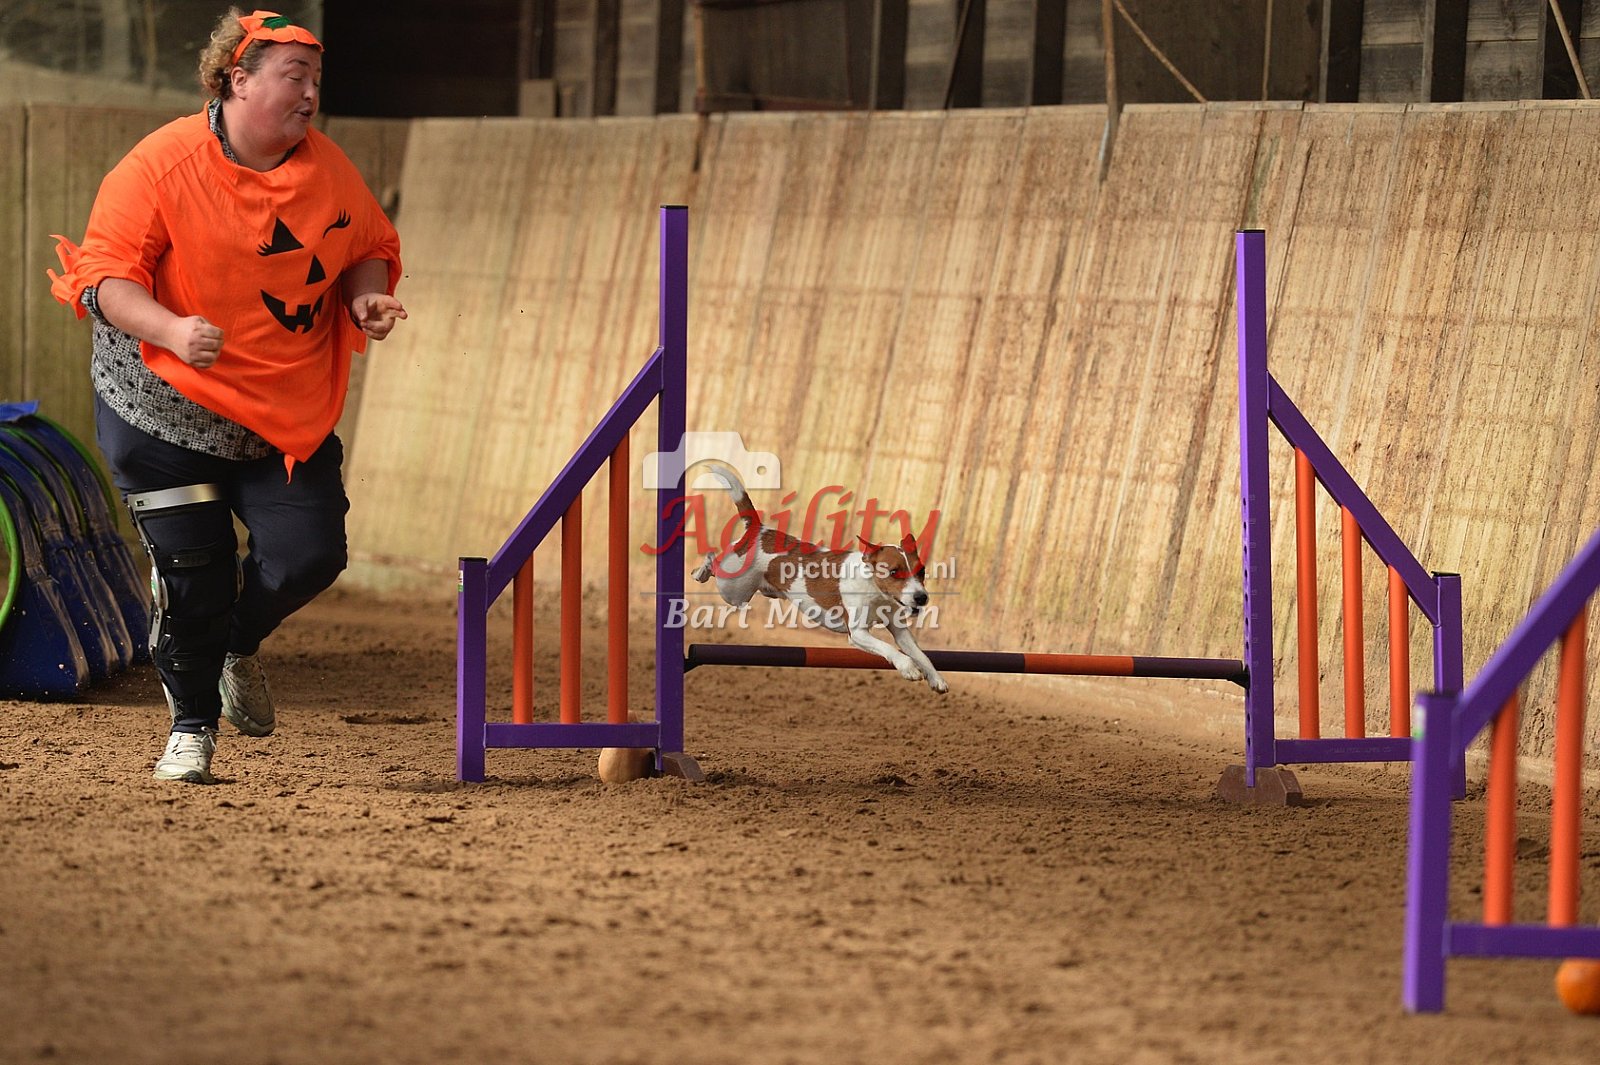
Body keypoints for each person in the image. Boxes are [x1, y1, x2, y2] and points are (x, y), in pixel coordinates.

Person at [47, 8, 405, 784]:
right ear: (237, 81)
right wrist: (171, 330)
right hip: (161, 408)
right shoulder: (159, 165)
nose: (311, 94)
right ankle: (191, 728)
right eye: (295, 77)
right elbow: (101, 279)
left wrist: (364, 298)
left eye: (316, 79)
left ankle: (236, 641)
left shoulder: (330, 171)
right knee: (195, 574)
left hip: (278, 414)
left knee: (311, 555)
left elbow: (365, 244)